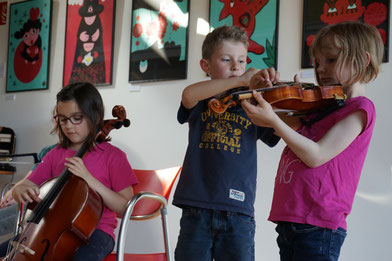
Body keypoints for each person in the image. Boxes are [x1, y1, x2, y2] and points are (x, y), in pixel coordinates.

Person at [241, 21, 383, 260]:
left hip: (319, 222)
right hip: (291, 218)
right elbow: (273, 123)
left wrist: (274, 120)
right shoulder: (321, 107)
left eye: (331, 60)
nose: (321, 69)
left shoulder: (360, 109)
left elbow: (316, 155)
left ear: (364, 59)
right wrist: (262, 94)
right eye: (317, 62)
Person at [173, 25, 280, 260]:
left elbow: (276, 130)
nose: (235, 66)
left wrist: (271, 96)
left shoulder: (251, 104)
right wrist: (240, 80)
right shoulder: (202, 99)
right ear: (206, 66)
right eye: (226, 59)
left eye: (241, 61)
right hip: (197, 206)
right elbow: (188, 95)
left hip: (238, 211)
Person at [0, 82, 138, 261]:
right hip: (46, 229)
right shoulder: (55, 154)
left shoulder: (114, 157)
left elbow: (125, 207)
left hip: (95, 234)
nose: (69, 126)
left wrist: (88, 178)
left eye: (76, 118)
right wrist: (21, 189)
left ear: (94, 117)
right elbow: (28, 183)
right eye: (63, 119)